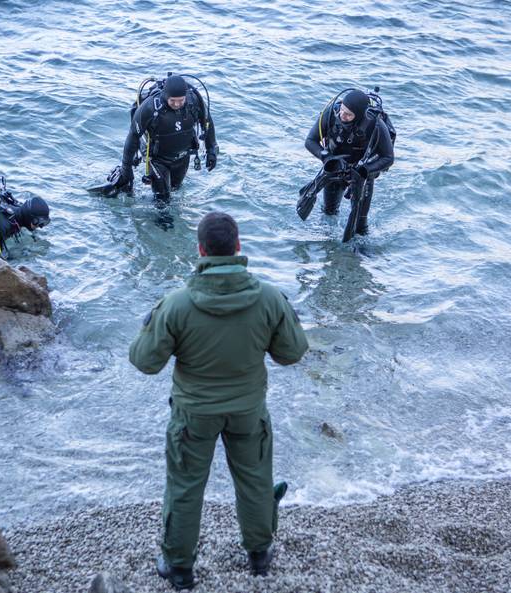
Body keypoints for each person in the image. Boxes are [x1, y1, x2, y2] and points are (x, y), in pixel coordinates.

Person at [129, 212, 308, 590]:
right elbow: (292, 353)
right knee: (256, 480)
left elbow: (145, 361)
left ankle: (179, 567)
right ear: (238, 247)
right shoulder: (269, 298)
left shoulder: (177, 304)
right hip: (247, 410)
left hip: (193, 414)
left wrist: (150, 322)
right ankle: (259, 554)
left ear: (200, 250)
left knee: (185, 486)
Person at [304, 89, 394, 234]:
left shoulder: (375, 125)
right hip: (335, 168)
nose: (342, 115)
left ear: (358, 115)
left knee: (360, 224)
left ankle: (360, 253)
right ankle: (329, 247)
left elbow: (388, 158)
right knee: (329, 212)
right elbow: (310, 141)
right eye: (342, 110)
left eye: (348, 114)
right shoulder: (331, 115)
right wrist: (327, 158)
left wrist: (365, 170)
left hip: (362, 175)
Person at [118, 74, 218, 204]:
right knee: (162, 201)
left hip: (182, 157)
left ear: (186, 96)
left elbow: (207, 123)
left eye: (181, 100)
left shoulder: (194, 102)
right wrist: (126, 169)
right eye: (172, 101)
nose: (177, 104)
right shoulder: (150, 108)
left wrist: (212, 149)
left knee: (175, 190)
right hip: (157, 159)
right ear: (165, 95)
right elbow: (133, 137)